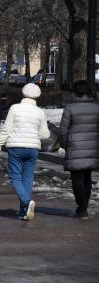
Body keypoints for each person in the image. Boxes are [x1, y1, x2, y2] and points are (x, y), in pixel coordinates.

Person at [0, 83, 50, 221]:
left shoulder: (14, 108)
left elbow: (6, 129)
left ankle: (26, 201)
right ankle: (23, 211)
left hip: (16, 147)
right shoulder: (40, 112)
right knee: (27, 178)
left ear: (23, 93)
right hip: (33, 149)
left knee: (15, 177)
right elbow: (45, 135)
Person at [58, 80, 99, 219]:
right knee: (87, 178)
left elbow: (63, 130)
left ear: (75, 91)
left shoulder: (70, 108)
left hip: (75, 146)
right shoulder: (96, 107)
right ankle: (84, 207)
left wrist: (65, 144)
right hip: (93, 147)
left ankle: (81, 208)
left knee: (77, 179)